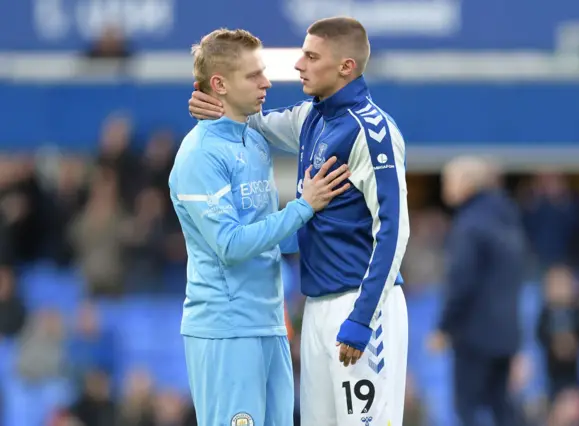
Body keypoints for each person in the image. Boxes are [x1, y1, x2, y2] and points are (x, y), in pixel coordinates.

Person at [189, 17, 410, 426]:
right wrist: (213, 103)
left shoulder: (372, 131)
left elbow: (395, 231)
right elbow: (252, 119)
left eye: (311, 56)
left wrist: (362, 317)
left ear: (345, 66)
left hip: (361, 307)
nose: (298, 66)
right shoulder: (311, 117)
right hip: (316, 307)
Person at [170, 29, 351, 426]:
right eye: (253, 75)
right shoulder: (199, 155)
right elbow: (230, 244)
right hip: (225, 329)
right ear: (219, 84)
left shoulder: (253, 141)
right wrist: (304, 207)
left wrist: (325, 224)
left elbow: (270, 233)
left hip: (270, 322)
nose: (266, 83)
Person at [428, 156, 526, 426]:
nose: (445, 187)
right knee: (502, 405)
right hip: (506, 333)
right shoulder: (508, 219)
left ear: (467, 184)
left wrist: (444, 327)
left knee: (466, 407)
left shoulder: (469, 224)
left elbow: (461, 282)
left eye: (449, 180)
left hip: (473, 334)